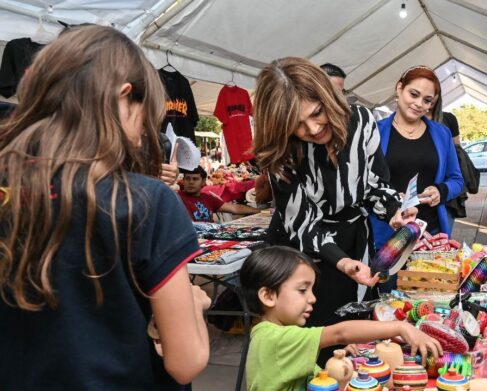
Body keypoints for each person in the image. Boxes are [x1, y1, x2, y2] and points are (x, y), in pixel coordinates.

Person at [0, 25, 211, 389]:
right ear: (124, 95)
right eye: (146, 117)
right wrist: (195, 304)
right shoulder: (147, 201)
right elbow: (186, 361)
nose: (145, 133)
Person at [252, 57, 416, 365]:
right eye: (297, 125)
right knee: (315, 343)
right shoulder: (281, 150)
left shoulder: (362, 122)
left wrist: (395, 210)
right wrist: (341, 261)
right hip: (301, 256)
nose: (312, 128)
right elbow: (302, 224)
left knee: (353, 344)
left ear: (327, 97)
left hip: (353, 240)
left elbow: (374, 186)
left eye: (316, 113)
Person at [241, 246, 442, 391]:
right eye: (302, 290)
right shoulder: (276, 339)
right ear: (268, 296)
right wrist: (400, 328)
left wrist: (338, 360)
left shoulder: (273, 333)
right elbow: (341, 332)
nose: (312, 298)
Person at [371, 66, 464, 248]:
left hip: (431, 235)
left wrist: (441, 191)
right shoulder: (375, 132)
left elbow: (457, 180)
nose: (419, 103)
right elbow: (365, 184)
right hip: (386, 234)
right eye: (413, 94)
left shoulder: (441, 133)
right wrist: (390, 200)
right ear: (399, 89)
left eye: (427, 100)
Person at [178, 166, 259, 222]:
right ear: (183, 181)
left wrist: (260, 211)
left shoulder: (208, 198)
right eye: (188, 179)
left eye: (195, 179)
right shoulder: (176, 198)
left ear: (203, 182)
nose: (191, 182)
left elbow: (235, 208)